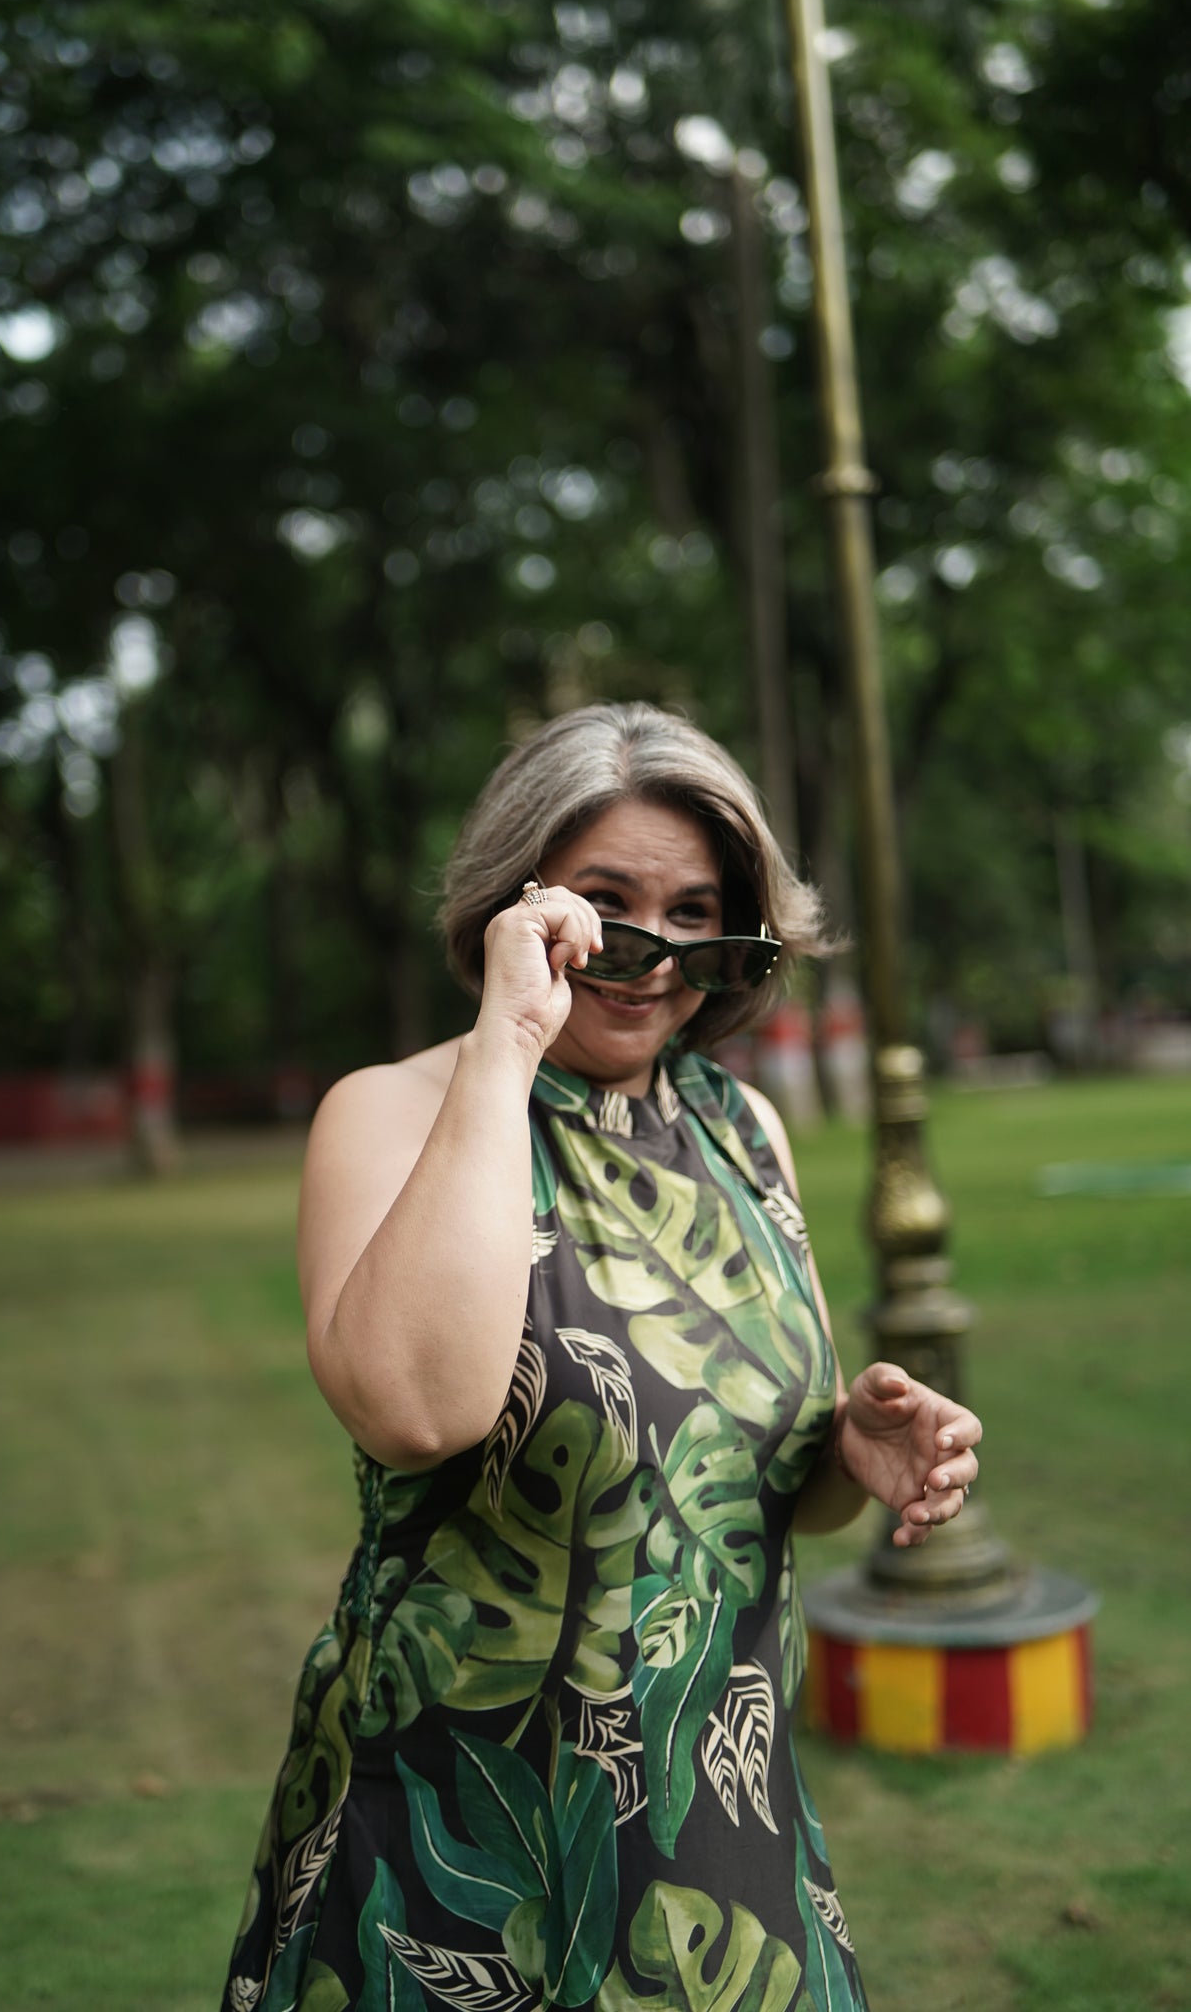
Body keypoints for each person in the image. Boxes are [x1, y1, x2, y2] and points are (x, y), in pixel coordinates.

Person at [222, 702, 982, 2012]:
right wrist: (509, 1040)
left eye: (697, 913)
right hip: (455, 1850)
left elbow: (754, 1490)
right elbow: (414, 1408)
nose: (651, 954)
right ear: (514, 899)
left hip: (714, 1835)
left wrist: (846, 1448)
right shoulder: (393, 1113)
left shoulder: (738, 1129)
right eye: (606, 901)